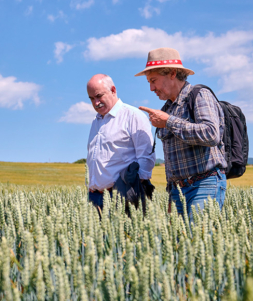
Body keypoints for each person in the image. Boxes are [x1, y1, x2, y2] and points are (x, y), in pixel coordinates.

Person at [137, 48, 227, 216]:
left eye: (153, 80)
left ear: (172, 73)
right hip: (178, 192)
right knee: (180, 242)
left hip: (204, 185)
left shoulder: (200, 95)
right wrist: (172, 194)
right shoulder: (167, 108)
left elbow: (211, 134)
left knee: (197, 240)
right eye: (149, 82)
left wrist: (168, 122)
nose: (151, 88)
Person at [86, 74, 155, 210]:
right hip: (94, 197)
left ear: (113, 90)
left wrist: (129, 191)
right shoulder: (96, 121)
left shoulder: (133, 116)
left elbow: (146, 159)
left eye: (99, 96)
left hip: (120, 196)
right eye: (91, 98)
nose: (95, 103)